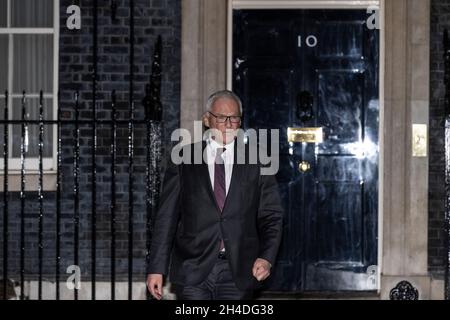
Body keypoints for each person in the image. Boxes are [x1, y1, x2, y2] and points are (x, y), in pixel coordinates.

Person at [146, 90, 283, 300]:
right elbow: (167, 217)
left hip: (239, 268)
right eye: (221, 117)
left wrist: (266, 257)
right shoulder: (184, 158)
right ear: (207, 119)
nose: (228, 124)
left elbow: (272, 215)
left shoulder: (258, 160)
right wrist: (157, 267)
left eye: (234, 118)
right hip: (193, 267)